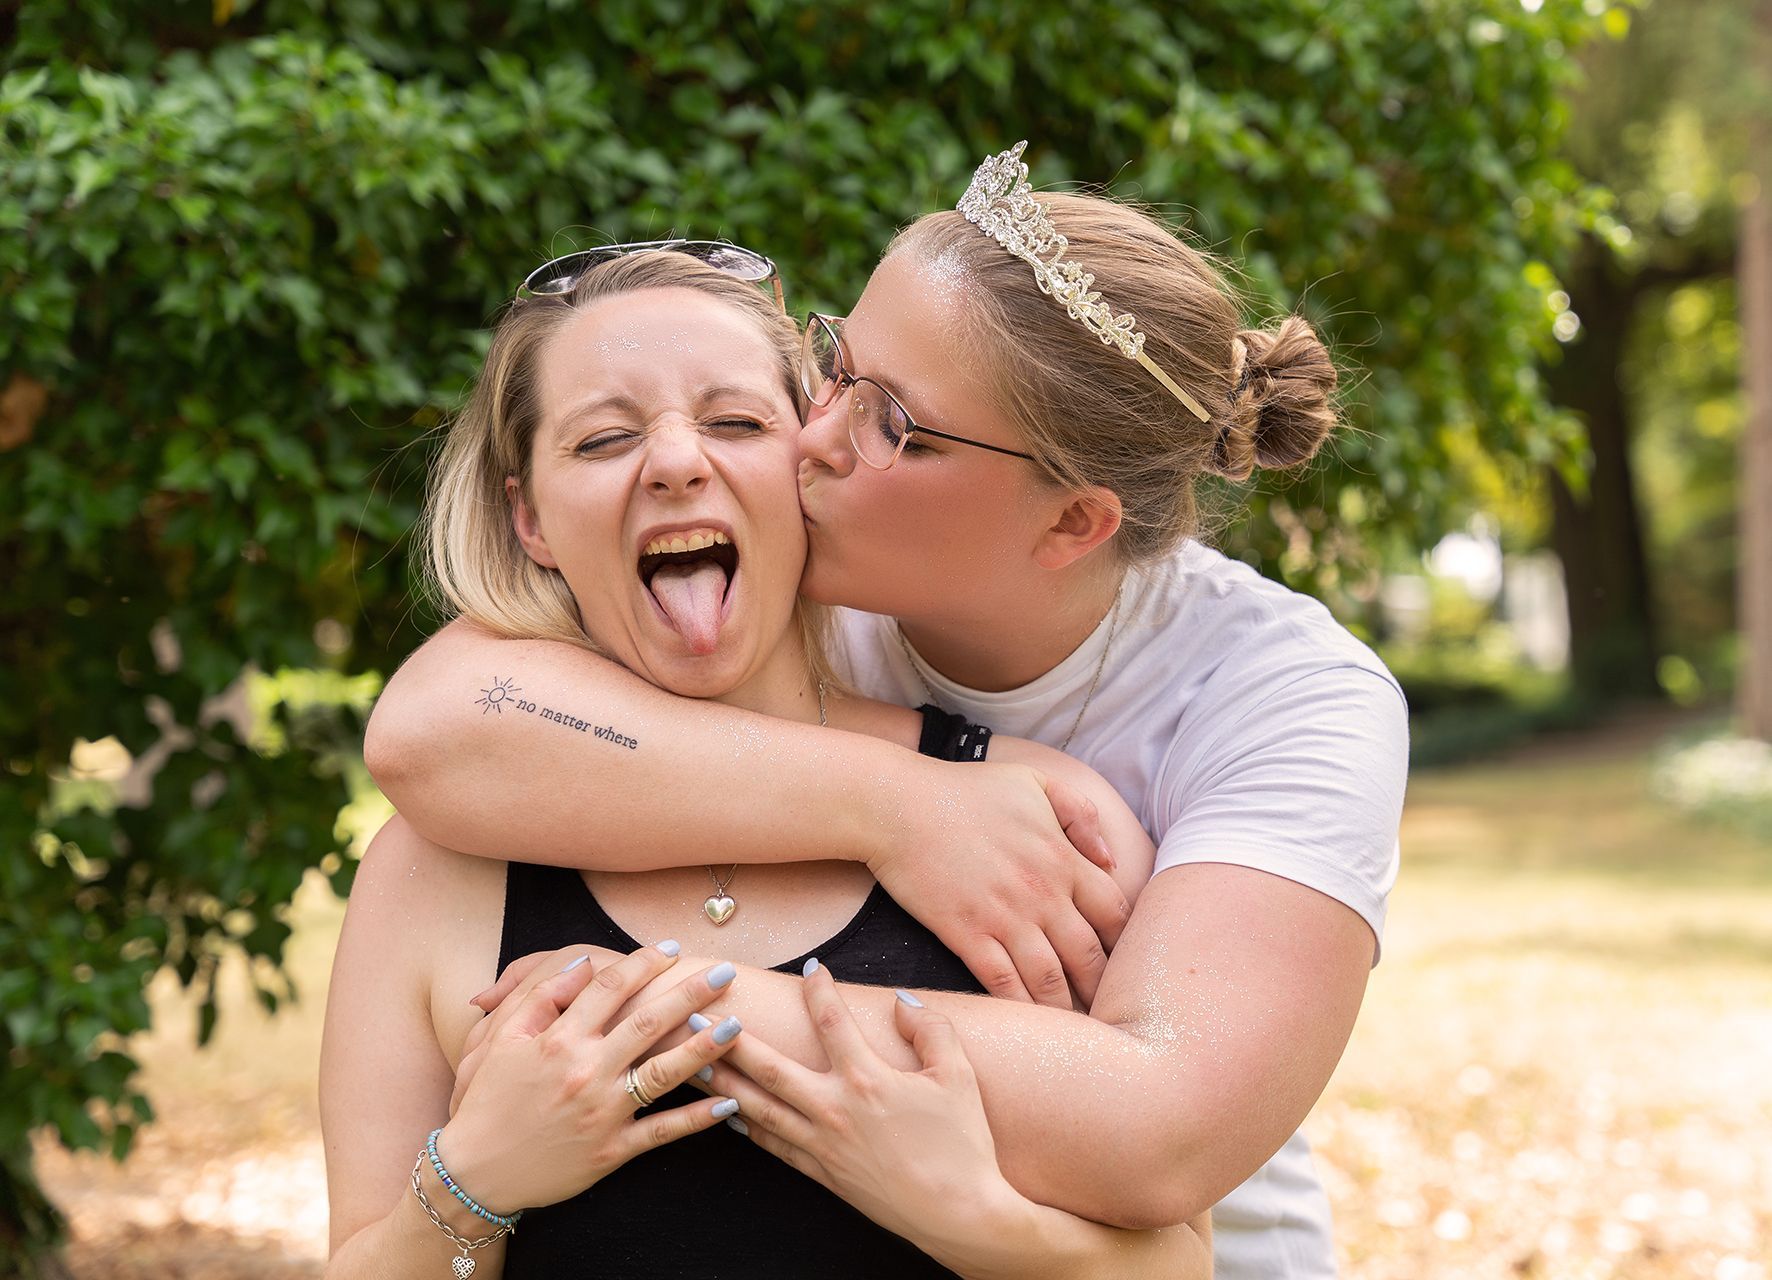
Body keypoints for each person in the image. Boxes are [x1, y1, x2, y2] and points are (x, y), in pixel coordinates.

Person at [368, 141, 1409, 1277]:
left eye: (893, 424)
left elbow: (1161, 1129)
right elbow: (435, 727)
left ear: (1071, 523)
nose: (811, 438)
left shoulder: (1288, 700)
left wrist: (658, 1007)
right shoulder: (809, 567)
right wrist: (903, 804)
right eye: (835, 368)